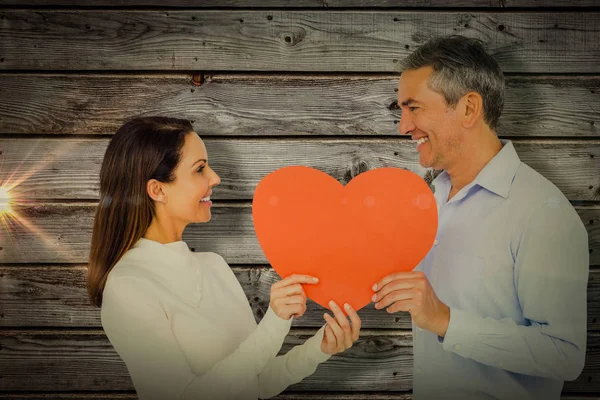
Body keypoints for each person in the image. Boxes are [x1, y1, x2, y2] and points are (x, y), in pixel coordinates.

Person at [371, 35, 589, 399]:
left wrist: (443, 319)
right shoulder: (430, 201)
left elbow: (565, 355)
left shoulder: (542, 213)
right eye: (401, 110)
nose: (403, 126)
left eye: (414, 108)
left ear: (470, 108)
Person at [86, 117, 362, 400]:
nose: (215, 178)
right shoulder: (128, 286)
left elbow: (256, 384)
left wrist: (319, 349)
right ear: (158, 190)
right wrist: (275, 322)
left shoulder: (213, 266)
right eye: (200, 169)